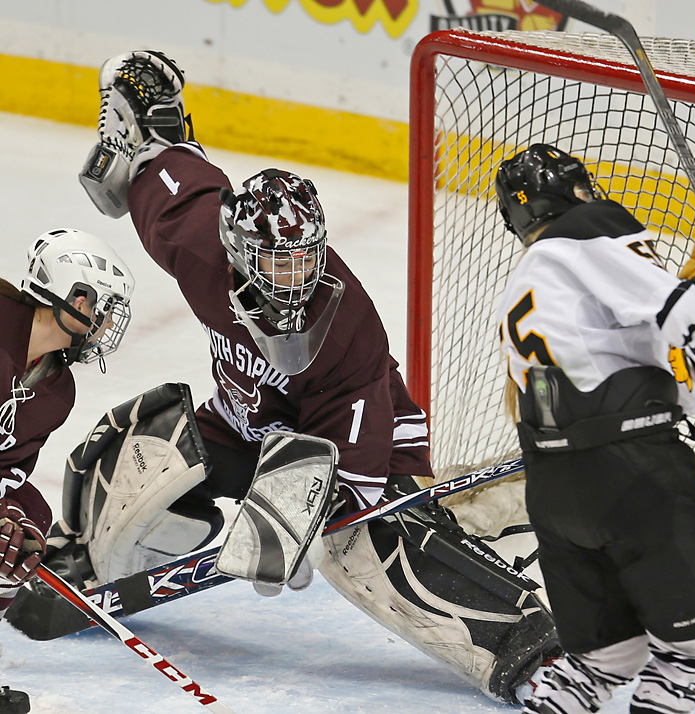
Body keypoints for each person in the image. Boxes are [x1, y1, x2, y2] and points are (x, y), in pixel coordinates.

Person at [45, 50, 559, 704]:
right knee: (136, 448)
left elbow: (352, 467)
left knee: (369, 553)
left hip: (350, 445)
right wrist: (143, 120)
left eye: (302, 260)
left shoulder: (348, 325)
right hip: (242, 427)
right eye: (272, 264)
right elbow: (166, 166)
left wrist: (291, 521)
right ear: (233, 253)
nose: (293, 282)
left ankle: (523, 642)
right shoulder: (197, 246)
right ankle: (85, 558)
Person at [494, 144, 695, 713]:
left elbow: (679, 387)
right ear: (573, 194)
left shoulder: (530, 288)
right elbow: (672, 308)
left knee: (602, 662)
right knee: (689, 651)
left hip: (556, 491)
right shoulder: (587, 228)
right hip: (634, 475)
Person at [0, 228, 134, 714]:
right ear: (75, 296)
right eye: (104, 307)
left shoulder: (56, 391)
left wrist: (12, 521)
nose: (106, 323)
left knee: (21, 531)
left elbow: (10, 471)